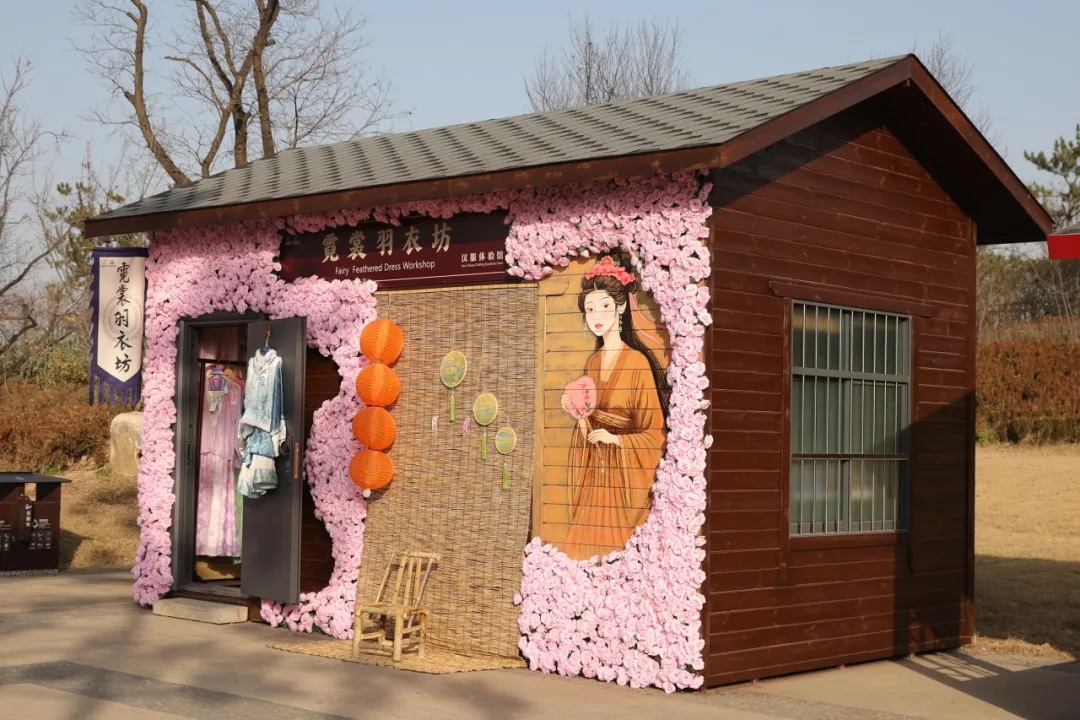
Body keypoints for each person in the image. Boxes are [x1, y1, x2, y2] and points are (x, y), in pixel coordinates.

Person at [559, 255, 669, 560]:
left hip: (623, 474)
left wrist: (617, 440)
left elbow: (654, 433)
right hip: (596, 471)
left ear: (620, 308)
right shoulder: (592, 362)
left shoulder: (637, 362)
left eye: (604, 306)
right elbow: (588, 426)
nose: (596, 316)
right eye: (590, 309)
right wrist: (578, 414)